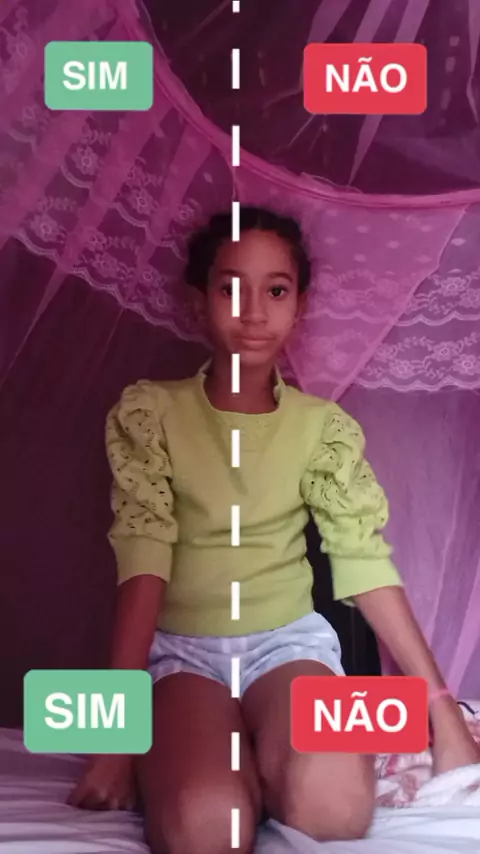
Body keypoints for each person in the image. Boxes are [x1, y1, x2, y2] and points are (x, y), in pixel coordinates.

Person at [69, 207, 480, 853]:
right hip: (184, 657)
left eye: (277, 290)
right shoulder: (153, 411)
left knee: (337, 810)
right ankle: (222, 759)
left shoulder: (321, 427)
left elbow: (363, 559)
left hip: (289, 647)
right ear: (199, 301)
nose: (254, 312)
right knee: (206, 827)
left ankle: (256, 754)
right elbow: (143, 559)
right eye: (231, 288)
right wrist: (114, 740)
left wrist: (442, 711)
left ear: (299, 306)